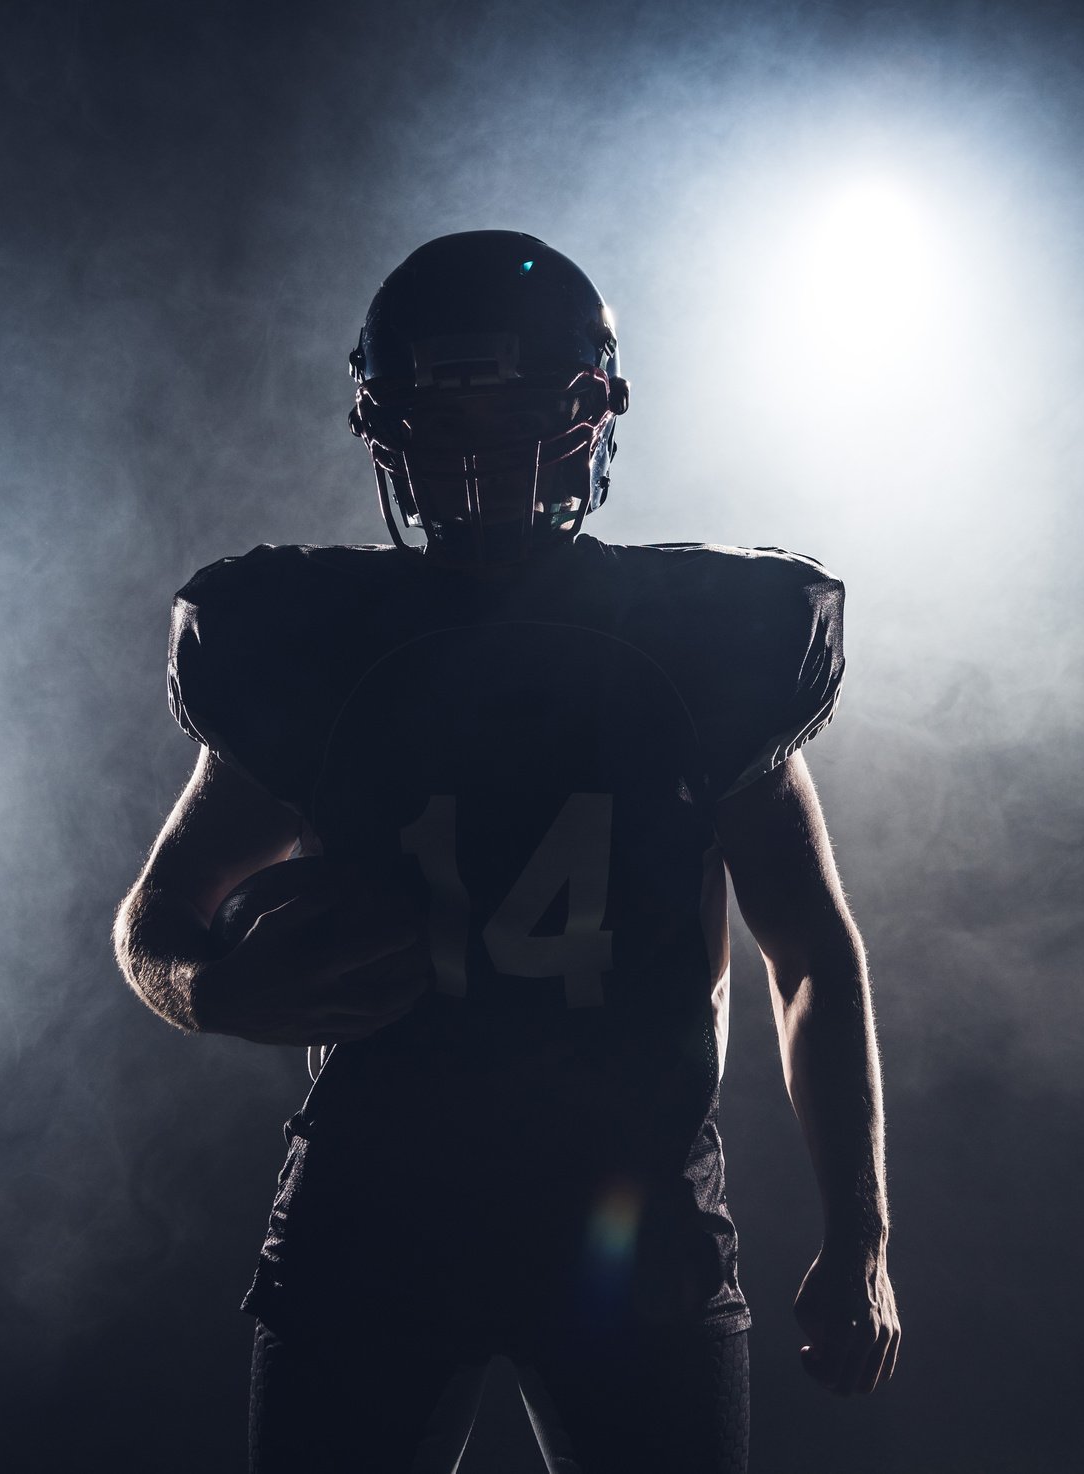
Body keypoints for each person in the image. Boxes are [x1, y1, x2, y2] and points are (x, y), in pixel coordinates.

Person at [112, 230, 899, 1473]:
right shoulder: (331, 654)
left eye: (515, 416)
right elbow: (154, 920)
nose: (480, 460)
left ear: (588, 413)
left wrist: (859, 1233)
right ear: (388, 430)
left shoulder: (691, 654)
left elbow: (809, 949)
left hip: (631, 1217)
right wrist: (209, 987)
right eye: (449, 424)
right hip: (376, 1213)